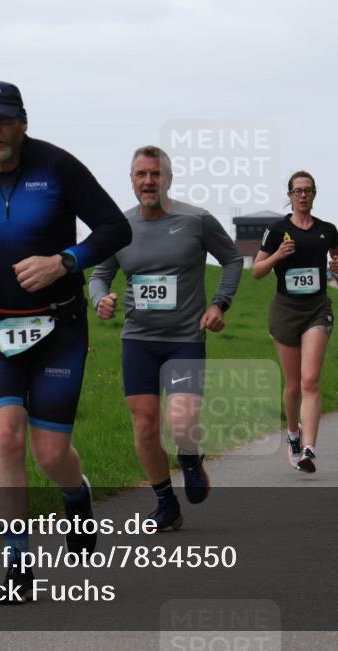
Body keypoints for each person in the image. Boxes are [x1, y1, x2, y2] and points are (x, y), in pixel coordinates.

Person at [0, 81, 132, 604]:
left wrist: (65, 261)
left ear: (23, 122)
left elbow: (112, 227)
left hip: (58, 326)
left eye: (2, 120)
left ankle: (75, 495)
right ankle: (17, 563)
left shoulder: (58, 166)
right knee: (5, 438)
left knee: (51, 452)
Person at [89, 146, 242, 531]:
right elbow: (99, 274)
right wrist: (100, 299)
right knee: (143, 425)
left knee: (179, 422)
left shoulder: (196, 220)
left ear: (168, 179)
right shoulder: (119, 228)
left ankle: (190, 458)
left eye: (155, 174)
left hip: (185, 339)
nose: (148, 181)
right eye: (140, 174)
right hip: (138, 340)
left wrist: (219, 304)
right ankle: (165, 502)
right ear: (131, 180)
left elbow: (233, 259)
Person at [253, 171, 338, 474]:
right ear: (290, 195)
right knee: (293, 385)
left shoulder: (326, 229)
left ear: (314, 194)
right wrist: (278, 255)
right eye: (297, 191)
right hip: (285, 310)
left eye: (307, 190)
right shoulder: (277, 230)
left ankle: (309, 447)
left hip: (317, 308)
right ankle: (293, 434)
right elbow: (257, 271)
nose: (303, 195)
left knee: (310, 380)